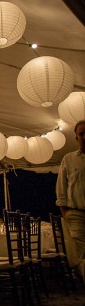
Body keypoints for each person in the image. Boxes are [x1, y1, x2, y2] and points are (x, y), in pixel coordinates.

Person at [56, 119, 85, 281]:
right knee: (82, 254)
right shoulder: (69, 159)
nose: (84, 137)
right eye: (81, 134)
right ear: (76, 138)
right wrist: (65, 212)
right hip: (77, 215)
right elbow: (61, 187)